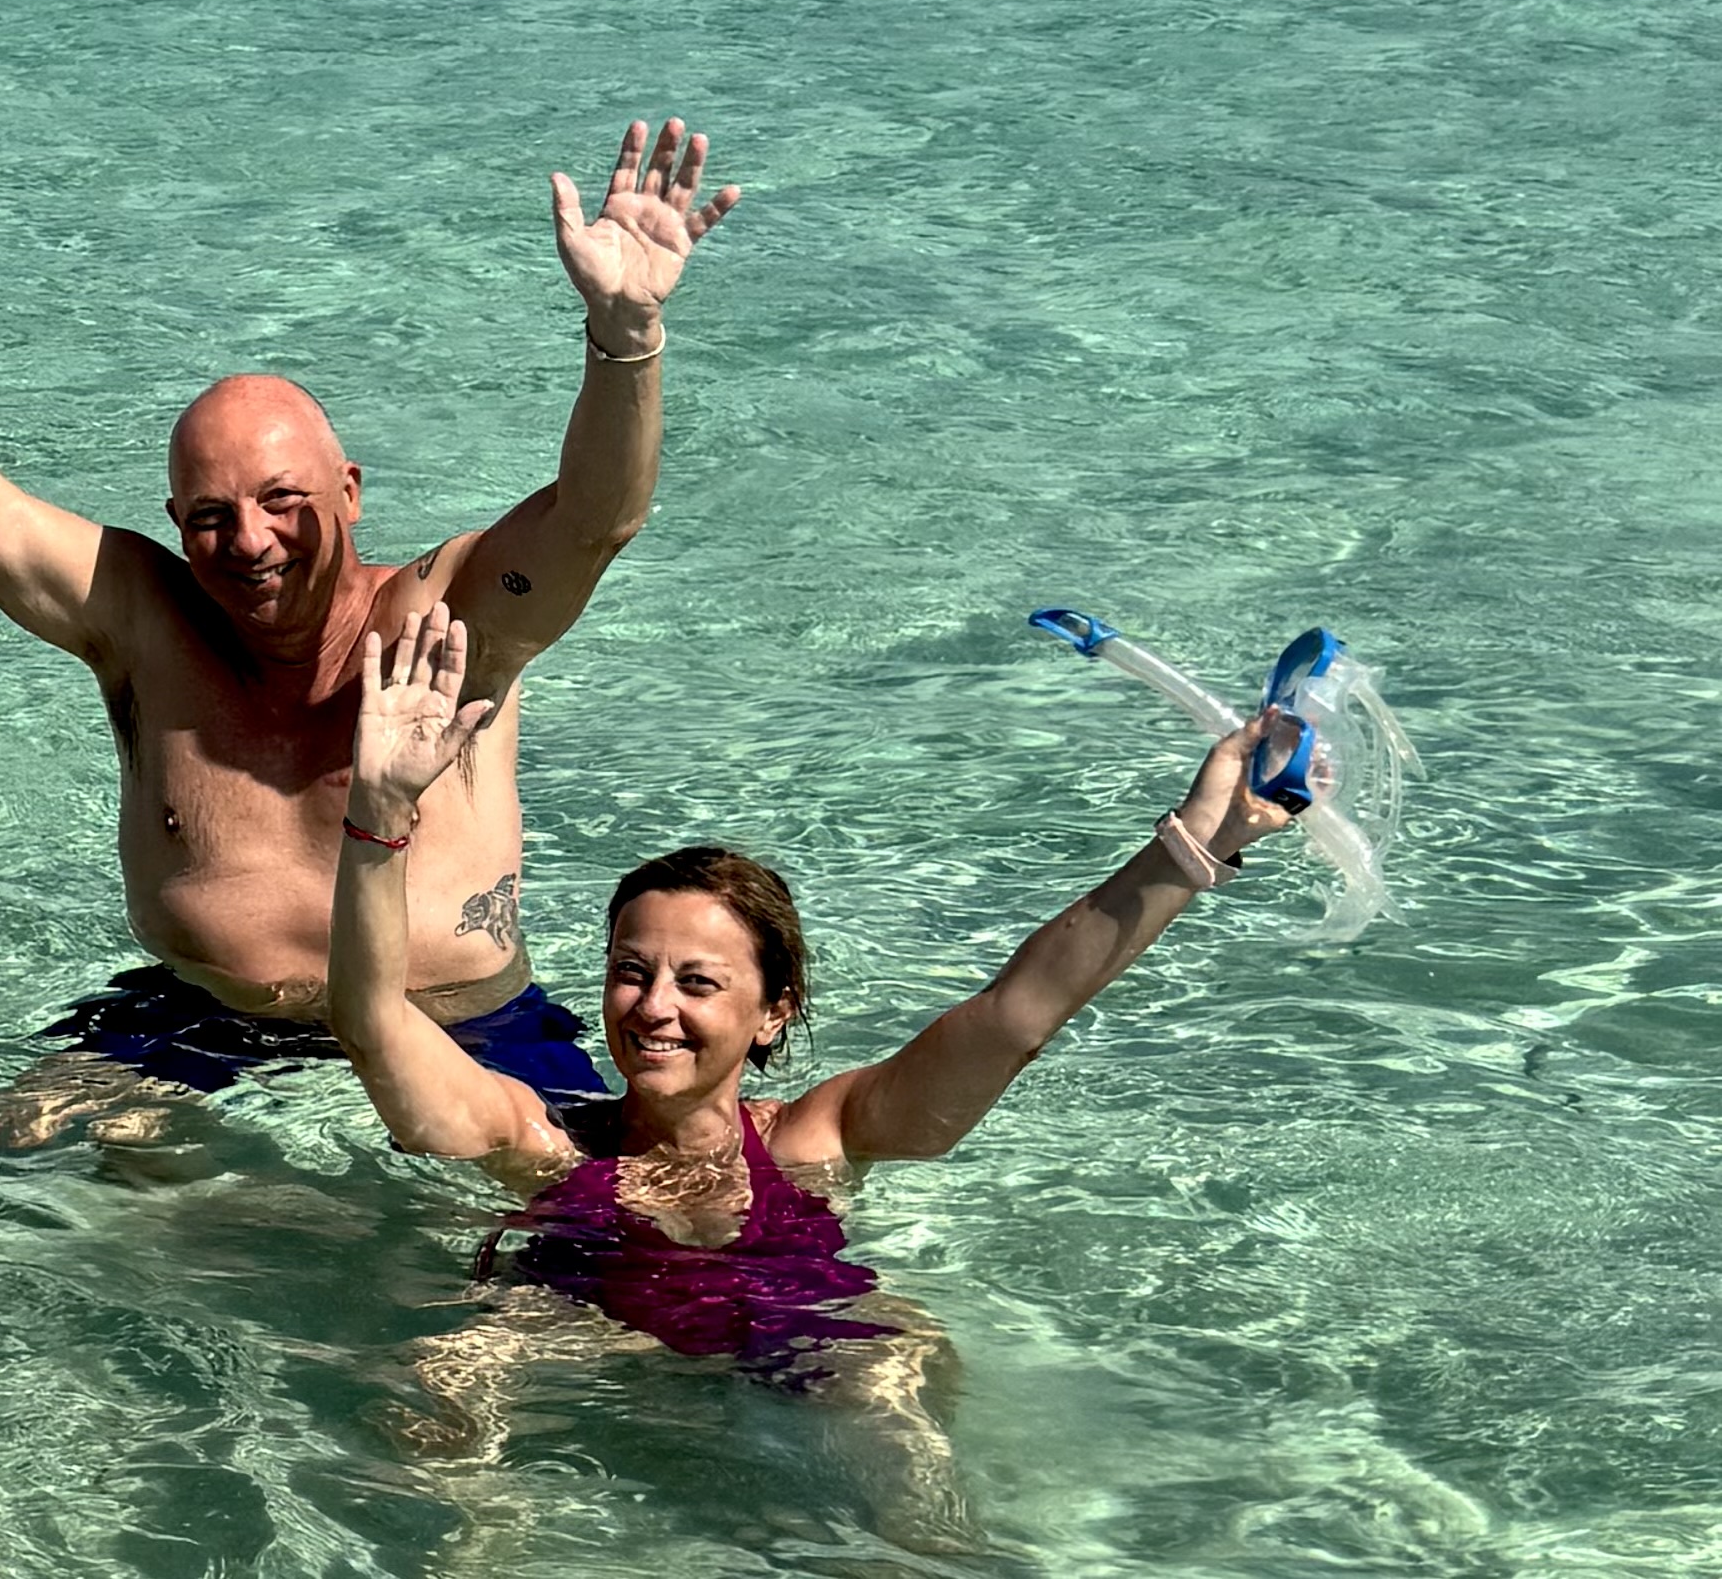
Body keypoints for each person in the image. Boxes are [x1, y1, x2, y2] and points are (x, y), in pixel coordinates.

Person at [0, 123, 738, 1137]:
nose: (254, 542)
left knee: (595, 1238)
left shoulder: (446, 616)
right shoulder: (144, 618)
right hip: (202, 1017)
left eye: (284, 499)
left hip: (462, 1024)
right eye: (213, 517)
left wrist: (626, 334)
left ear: (351, 490)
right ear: (177, 523)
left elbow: (596, 519)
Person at [327, 604, 1300, 1542]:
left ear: (773, 1009)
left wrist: (1188, 848)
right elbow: (374, 1022)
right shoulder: (542, 1140)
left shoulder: (814, 1137)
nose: (655, 1006)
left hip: (797, 1336)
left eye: (698, 981)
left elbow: (1018, 1014)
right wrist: (377, 816)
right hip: (583, 1329)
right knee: (440, 1385)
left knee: (900, 1443)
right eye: (632, 971)